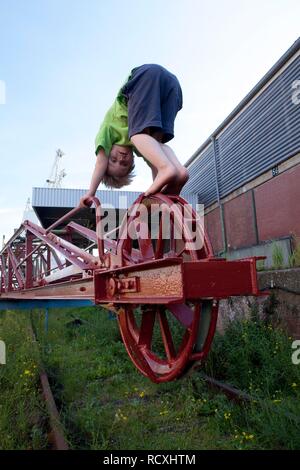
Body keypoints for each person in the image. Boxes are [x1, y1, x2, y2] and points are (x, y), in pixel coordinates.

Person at [79, 64, 189, 207]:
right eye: (124, 163)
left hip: (144, 78)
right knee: (158, 146)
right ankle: (180, 172)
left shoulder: (108, 131)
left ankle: (167, 168)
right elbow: (154, 166)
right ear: (132, 161)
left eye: (113, 159)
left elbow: (100, 162)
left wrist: (91, 193)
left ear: (107, 153)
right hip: (171, 88)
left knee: (136, 136)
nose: (121, 158)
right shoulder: (145, 144)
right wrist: (161, 193)